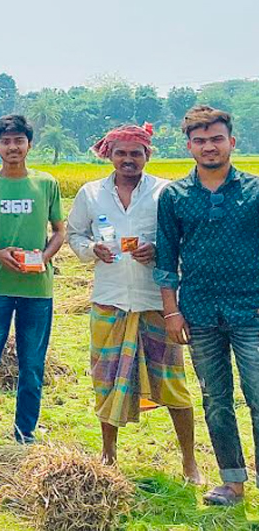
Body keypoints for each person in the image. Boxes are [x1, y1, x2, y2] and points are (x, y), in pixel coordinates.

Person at [67, 123, 201, 483]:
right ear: (109, 155)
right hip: (109, 301)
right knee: (106, 380)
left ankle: (190, 462)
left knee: (172, 382)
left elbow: (183, 239)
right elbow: (75, 233)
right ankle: (108, 458)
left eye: (135, 153)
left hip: (156, 302)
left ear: (147, 156)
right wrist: (89, 249)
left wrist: (157, 251)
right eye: (121, 153)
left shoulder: (164, 192)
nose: (128, 159)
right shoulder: (91, 193)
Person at [157, 105, 259, 506]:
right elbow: (166, 260)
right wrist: (171, 311)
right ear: (189, 147)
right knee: (216, 399)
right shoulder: (175, 196)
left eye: (216, 139)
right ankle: (232, 482)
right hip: (198, 314)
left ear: (231, 142)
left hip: (251, 310)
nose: (209, 147)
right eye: (200, 141)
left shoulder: (253, 192)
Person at [0, 115, 65, 455]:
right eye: (6, 141)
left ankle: (25, 434)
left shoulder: (46, 183)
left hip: (38, 290)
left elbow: (59, 230)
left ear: (29, 144)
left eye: (19, 140)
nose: (13, 147)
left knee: (32, 364)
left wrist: (45, 257)